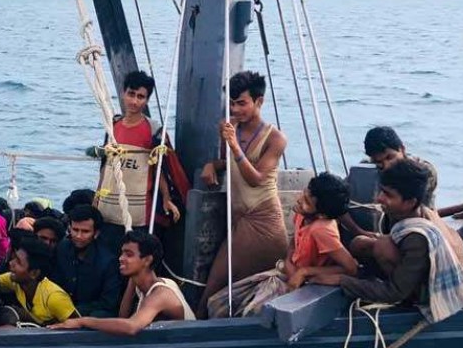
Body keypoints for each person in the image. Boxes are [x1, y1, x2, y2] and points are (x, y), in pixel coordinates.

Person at [312, 160, 463, 323]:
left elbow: (395, 292)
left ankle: (393, 295)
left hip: (420, 293)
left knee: (382, 246)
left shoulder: (417, 237)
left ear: (410, 202)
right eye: (382, 191)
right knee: (360, 243)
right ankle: (370, 279)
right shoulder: (399, 216)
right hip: (407, 274)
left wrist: (343, 281)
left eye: (388, 195)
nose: (379, 198)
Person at [197, 71, 289, 319]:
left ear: (259, 101)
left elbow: (256, 178)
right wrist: (213, 165)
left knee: (214, 287)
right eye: (232, 103)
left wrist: (233, 145)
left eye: (242, 103)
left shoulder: (276, 138)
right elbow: (232, 162)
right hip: (238, 220)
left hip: (262, 221)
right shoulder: (230, 129)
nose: (235, 110)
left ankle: (197, 329)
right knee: (223, 290)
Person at [206, 173, 359, 318]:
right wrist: (288, 260)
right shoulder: (302, 214)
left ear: (321, 215)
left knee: (251, 314)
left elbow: (350, 267)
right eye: (304, 194)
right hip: (286, 273)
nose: (299, 200)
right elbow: (293, 242)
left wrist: (305, 272)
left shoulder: (322, 230)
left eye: (307, 202)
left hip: (303, 285)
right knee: (217, 303)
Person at [93, 71, 184, 243]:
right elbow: (105, 166)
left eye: (141, 97)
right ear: (123, 93)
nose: (134, 101)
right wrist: (96, 198)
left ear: (147, 100)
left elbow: (160, 169)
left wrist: (166, 199)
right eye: (131, 94)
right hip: (108, 208)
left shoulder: (153, 130)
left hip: (139, 212)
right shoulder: (113, 126)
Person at [51, 231, 194, 334]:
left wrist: (82, 321)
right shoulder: (142, 282)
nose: (121, 258)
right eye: (122, 253)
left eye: (129, 255)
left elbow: (131, 327)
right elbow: (123, 316)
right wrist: (133, 279)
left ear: (147, 260)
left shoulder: (161, 294)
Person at [52, 205, 122, 317]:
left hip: (88, 318)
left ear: (96, 233)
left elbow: (109, 302)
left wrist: (75, 312)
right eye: (75, 230)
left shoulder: (108, 262)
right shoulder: (62, 248)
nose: (78, 236)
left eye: (85, 231)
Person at [0, 235, 77, 326]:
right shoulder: (14, 280)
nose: (11, 263)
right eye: (14, 258)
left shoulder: (55, 298)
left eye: (18, 262)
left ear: (34, 273)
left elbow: (79, 330)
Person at [363, 127, 438, 208]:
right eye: (379, 162)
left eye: (389, 157)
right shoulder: (366, 169)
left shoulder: (423, 171)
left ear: (402, 149)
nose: (387, 166)